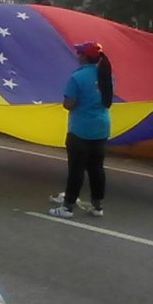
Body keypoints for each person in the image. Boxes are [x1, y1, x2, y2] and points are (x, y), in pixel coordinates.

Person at [48, 42, 113, 219]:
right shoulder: (106, 75)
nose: (77, 54)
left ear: (84, 57)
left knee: (76, 169)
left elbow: (69, 104)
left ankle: (67, 208)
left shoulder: (78, 77)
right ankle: (98, 207)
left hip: (81, 129)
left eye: (79, 52)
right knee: (96, 168)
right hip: (101, 127)